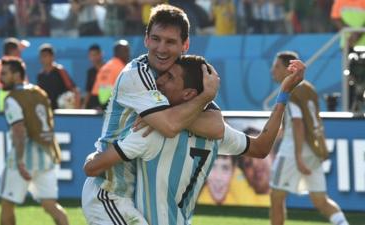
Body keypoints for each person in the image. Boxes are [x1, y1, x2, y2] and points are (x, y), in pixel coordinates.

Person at [84, 54, 305, 225]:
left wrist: (96, 153)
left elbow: (92, 168)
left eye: (170, 77)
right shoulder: (216, 133)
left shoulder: (151, 131)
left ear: (189, 94)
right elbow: (262, 147)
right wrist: (283, 94)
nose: (159, 81)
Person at [81, 4, 224, 225]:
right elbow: (169, 126)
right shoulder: (137, 75)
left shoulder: (180, 76)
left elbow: (216, 127)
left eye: (170, 41)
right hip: (110, 193)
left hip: (137, 198)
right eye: (156, 39)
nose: (161, 48)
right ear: (146, 39)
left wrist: (180, 110)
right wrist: (203, 98)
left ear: (185, 44)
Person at [269, 51, 349, 225]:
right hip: (313, 149)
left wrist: (297, 156)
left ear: (289, 69)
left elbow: (298, 123)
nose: (272, 70)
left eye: (276, 66)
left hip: (293, 151)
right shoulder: (309, 88)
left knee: (276, 196)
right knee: (320, 200)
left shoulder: (292, 89)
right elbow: (307, 119)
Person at [0, 58, 69, 225]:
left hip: (23, 159)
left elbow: (19, 131)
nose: (0, 78)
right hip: (46, 157)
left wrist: (21, 161)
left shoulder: (12, 98)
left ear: (16, 75)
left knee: (7, 204)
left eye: (4, 73)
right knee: (51, 205)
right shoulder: (39, 92)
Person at [37, 43, 81, 109]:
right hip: (48, 112)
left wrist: (77, 110)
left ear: (52, 57)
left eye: (45, 56)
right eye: (41, 56)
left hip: (61, 113)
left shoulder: (60, 71)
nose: (43, 58)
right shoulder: (40, 75)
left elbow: (74, 90)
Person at [90, 39, 130, 110]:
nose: (128, 54)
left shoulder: (104, 67)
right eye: (125, 51)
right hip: (113, 110)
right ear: (117, 52)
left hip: (99, 108)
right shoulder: (123, 69)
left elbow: (95, 93)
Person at [0, 37, 29, 111]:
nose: (20, 51)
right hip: (9, 95)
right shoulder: (3, 64)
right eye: (18, 49)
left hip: (16, 94)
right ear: (11, 50)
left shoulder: (1, 63)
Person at [83, 44, 104, 109]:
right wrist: (84, 106)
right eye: (91, 55)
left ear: (101, 54)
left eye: (95, 55)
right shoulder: (90, 72)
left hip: (105, 108)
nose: (93, 58)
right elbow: (88, 91)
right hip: (92, 107)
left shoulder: (109, 70)